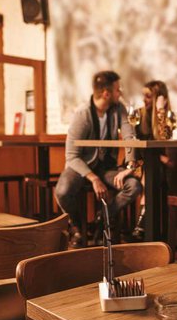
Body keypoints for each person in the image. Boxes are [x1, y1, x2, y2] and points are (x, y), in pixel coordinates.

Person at [55, 71, 142, 248]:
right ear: (106, 93)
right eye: (118, 89)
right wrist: (93, 178)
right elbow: (71, 156)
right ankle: (78, 226)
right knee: (62, 192)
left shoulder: (119, 108)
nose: (121, 93)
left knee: (134, 186)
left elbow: (129, 136)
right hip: (81, 167)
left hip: (107, 168)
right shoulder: (82, 114)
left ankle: (104, 215)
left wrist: (131, 165)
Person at [131, 80, 176, 239]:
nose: (144, 99)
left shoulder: (166, 115)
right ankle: (146, 226)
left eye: (149, 96)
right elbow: (136, 146)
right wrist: (160, 158)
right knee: (150, 172)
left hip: (158, 166)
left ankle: (144, 224)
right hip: (139, 163)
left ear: (159, 97)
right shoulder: (138, 115)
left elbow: (164, 138)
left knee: (156, 171)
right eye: (144, 96)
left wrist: (160, 111)